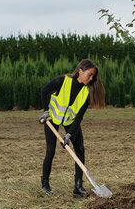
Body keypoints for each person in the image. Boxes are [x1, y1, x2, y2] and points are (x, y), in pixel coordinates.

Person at [38, 59, 106, 198]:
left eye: (93, 76)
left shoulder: (86, 92)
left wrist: (69, 134)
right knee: (50, 150)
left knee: (80, 149)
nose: (91, 78)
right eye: (89, 75)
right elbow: (44, 91)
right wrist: (46, 111)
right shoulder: (62, 80)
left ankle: (78, 186)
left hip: (71, 121)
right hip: (52, 118)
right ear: (80, 71)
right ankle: (45, 185)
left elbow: (79, 116)